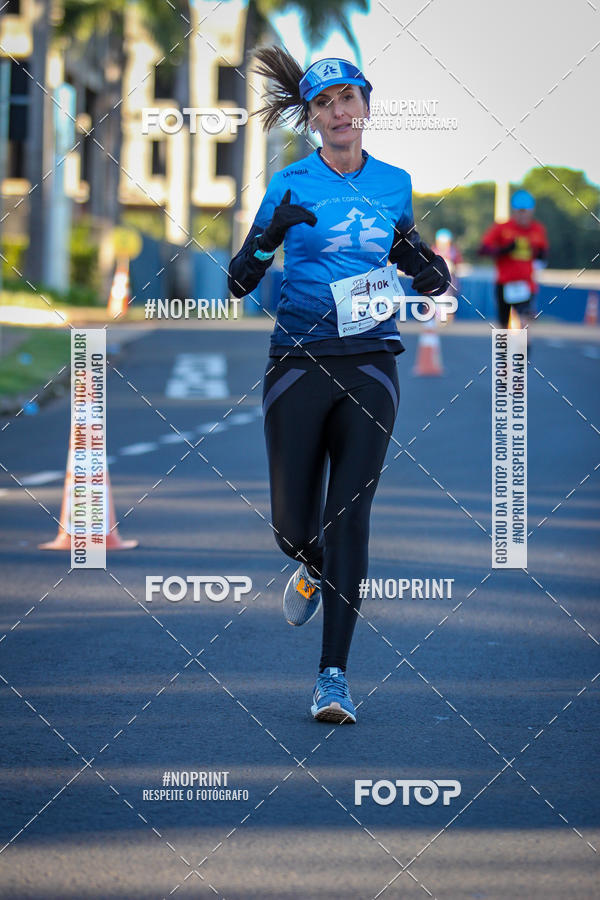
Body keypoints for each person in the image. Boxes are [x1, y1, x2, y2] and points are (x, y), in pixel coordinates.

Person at [227, 47, 450, 725]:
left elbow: (405, 251)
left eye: (348, 98)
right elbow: (239, 279)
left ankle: (333, 678)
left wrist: (428, 267)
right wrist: (269, 237)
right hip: (297, 360)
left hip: (372, 360)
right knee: (295, 529)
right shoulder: (290, 182)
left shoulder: (395, 182)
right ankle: (312, 563)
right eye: (324, 103)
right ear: (313, 118)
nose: (338, 111)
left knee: (349, 517)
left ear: (366, 106)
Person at [479, 190, 548, 336]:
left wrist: (539, 254)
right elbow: (483, 249)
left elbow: (543, 253)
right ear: (514, 211)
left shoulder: (537, 229)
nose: (523, 215)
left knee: (524, 324)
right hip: (504, 283)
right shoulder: (502, 228)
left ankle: (521, 355)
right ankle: (505, 356)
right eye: (520, 211)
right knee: (503, 326)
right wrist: (503, 250)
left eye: (526, 211)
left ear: (531, 211)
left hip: (526, 284)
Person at [432, 228, 462, 325]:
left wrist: (453, 267)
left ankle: (448, 317)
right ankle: (438, 316)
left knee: (449, 299)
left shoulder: (453, 251)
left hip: (450, 281)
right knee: (438, 298)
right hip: (436, 281)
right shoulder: (434, 250)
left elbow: (459, 264)